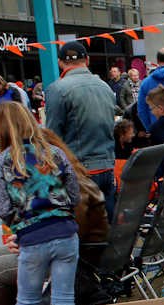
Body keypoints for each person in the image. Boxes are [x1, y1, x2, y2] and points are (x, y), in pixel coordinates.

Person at [0, 127, 110, 305]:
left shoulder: (70, 185)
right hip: (72, 247)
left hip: (79, 259)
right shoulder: (64, 175)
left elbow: (68, 232)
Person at [0, 103, 81, 305]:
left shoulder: (3, 161)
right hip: (66, 233)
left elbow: (1, 206)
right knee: (63, 302)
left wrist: (20, 225)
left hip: (33, 238)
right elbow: (74, 195)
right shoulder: (53, 153)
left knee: (26, 303)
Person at [45, 41, 116, 222]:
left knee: (83, 230)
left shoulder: (58, 89)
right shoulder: (105, 87)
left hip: (79, 170)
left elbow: (52, 137)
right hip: (107, 166)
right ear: (87, 60)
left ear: (60, 62)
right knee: (107, 227)